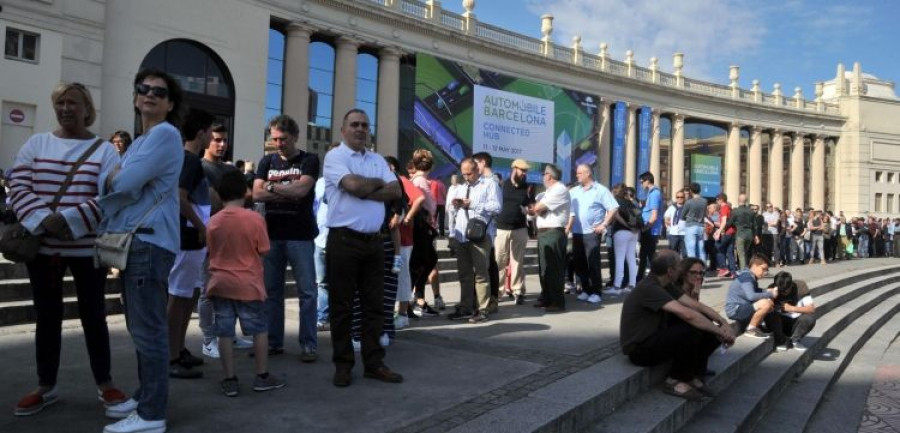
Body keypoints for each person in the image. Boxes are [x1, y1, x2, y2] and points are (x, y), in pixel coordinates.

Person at [10, 82, 125, 416]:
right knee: (47, 317)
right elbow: (17, 184)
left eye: (73, 103)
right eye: (60, 102)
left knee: (94, 316)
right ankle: (45, 386)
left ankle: (105, 383)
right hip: (43, 249)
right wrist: (46, 219)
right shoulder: (37, 143)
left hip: (87, 249)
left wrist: (72, 219)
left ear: (87, 108)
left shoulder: (105, 151)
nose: (65, 108)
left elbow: (109, 196)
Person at [99, 68, 184, 433]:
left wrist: (116, 175)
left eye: (159, 92)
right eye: (143, 89)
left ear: (169, 104)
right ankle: (145, 395)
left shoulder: (164, 134)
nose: (149, 94)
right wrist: (118, 176)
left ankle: (151, 415)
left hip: (148, 242)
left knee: (148, 330)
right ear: (136, 97)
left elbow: (125, 183)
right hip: (140, 241)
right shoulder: (141, 140)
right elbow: (120, 184)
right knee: (140, 328)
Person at [324, 108, 403, 387]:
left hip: (374, 242)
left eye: (365, 125)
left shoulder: (377, 159)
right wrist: (375, 184)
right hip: (344, 241)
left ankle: (374, 363)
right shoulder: (335, 156)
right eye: (354, 124)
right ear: (343, 130)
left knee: (375, 305)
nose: (360, 129)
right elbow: (353, 186)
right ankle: (343, 365)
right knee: (342, 306)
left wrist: (364, 187)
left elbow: (396, 191)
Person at [207, 170, 285, 396]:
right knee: (259, 330)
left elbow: (211, 251)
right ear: (245, 191)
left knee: (224, 333)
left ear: (219, 194)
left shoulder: (213, 221)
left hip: (220, 283)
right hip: (248, 283)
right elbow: (264, 251)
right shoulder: (255, 219)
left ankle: (229, 379)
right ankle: (261, 376)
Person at [620, 251, 735, 401]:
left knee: (705, 326)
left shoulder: (665, 284)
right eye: (679, 266)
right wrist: (720, 332)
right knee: (692, 329)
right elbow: (687, 314)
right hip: (639, 350)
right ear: (670, 271)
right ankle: (674, 380)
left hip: (655, 338)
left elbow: (696, 306)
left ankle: (692, 375)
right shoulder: (650, 287)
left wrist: (722, 323)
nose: (681, 269)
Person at [253, 115, 319, 362]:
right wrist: (285, 191)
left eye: (283, 138)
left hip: (300, 236)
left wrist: (271, 188)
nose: (278, 143)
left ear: (295, 136)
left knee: (308, 292)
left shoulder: (309, 160)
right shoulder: (266, 161)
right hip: (271, 235)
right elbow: (257, 193)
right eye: (275, 138)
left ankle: (308, 344)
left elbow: (302, 191)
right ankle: (273, 343)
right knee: (271, 292)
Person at [166, 108, 214, 380]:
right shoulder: (191, 161)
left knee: (187, 295)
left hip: (192, 240)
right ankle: (171, 355)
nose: (213, 137)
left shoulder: (188, 160)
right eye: (210, 132)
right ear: (200, 133)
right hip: (187, 239)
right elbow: (180, 197)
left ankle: (179, 348)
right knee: (178, 296)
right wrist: (200, 226)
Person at [198, 124, 249, 359]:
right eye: (217, 139)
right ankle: (209, 340)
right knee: (208, 291)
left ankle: (227, 335)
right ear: (207, 139)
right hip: (208, 238)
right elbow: (216, 201)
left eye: (224, 140)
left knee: (228, 291)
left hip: (231, 238)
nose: (221, 144)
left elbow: (245, 196)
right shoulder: (200, 168)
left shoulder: (228, 170)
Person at [446, 157, 502, 322]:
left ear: (477, 170)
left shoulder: (489, 184)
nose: (466, 177)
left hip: (480, 236)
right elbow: (452, 209)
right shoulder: (462, 187)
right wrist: (455, 205)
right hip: (462, 235)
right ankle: (466, 307)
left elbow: (497, 207)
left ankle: (483, 309)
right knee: (464, 274)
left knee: (481, 274)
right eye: (463, 174)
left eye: (469, 174)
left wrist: (473, 204)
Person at [567, 164, 618, 302]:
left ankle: (596, 292)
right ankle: (585, 289)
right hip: (577, 231)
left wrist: (604, 224)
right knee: (579, 261)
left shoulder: (600, 190)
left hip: (592, 232)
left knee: (592, 262)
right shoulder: (574, 191)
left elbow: (613, 208)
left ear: (588, 173)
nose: (577, 175)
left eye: (579, 173)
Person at [495, 158, 536, 305]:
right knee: (499, 261)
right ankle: (498, 292)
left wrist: (529, 211)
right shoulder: (502, 185)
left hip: (520, 228)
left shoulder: (528, 187)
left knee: (517, 262)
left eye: (526, 171)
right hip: (501, 228)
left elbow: (532, 208)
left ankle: (518, 291)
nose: (524, 173)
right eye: (522, 170)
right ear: (514, 169)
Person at [531, 164, 571, 312]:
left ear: (549, 176)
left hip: (553, 232)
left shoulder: (560, 189)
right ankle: (546, 298)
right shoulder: (549, 191)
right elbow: (535, 210)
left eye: (544, 174)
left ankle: (557, 301)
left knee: (554, 268)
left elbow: (538, 208)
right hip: (544, 233)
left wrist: (535, 208)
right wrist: (535, 209)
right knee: (544, 268)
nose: (542, 177)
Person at [408, 150, 442, 316]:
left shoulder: (414, 179)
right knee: (424, 262)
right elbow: (429, 205)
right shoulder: (421, 181)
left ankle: (417, 298)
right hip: (422, 228)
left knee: (423, 262)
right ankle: (411, 300)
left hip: (420, 227)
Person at [473, 152, 502, 312]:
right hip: (477, 231)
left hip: (487, 231)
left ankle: (493, 299)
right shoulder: (480, 181)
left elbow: (496, 207)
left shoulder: (493, 181)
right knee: (484, 265)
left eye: (475, 163)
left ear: (483, 163)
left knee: (489, 265)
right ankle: (480, 299)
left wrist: (476, 205)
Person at [724, 254, 778, 339]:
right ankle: (751, 330)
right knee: (765, 304)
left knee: (769, 303)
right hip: (735, 309)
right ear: (755, 266)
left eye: (766, 270)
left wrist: (766, 291)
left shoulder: (750, 275)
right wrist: (770, 294)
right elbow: (751, 296)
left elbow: (754, 290)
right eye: (763, 269)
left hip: (742, 306)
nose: (765, 272)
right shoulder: (747, 277)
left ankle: (757, 325)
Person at [769, 274, 816, 352]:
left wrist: (792, 308)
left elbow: (811, 309)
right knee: (771, 315)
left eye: (785, 290)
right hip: (780, 323)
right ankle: (781, 340)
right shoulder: (772, 288)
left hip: (795, 322)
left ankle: (795, 340)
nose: (783, 292)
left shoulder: (800, 286)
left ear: (791, 285)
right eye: (781, 290)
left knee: (810, 318)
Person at [609, 183, 640, 293]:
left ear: (615, 191)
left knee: (619, 259)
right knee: (631, 258)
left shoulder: (615, 200)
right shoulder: (630, 202)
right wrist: (632, 227)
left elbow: (616, 215)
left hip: (621, 232)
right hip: (634, 232)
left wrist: (626, 226)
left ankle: (617, 287)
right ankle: (632, 285)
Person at [636, 171, 664, 282]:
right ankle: (641, 277)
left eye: (642, 182)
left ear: (647, 181)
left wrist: (645, 228)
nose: (641, 184)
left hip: (650, 229)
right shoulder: (652, 193)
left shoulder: (654, 193)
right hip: (649, 229)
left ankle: (657, 277)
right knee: (645, 255)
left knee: (649, 256)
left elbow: (654, 215)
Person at [730, 193, 757, 271]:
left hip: (740, 234)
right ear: (746, 201)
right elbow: (755, 225)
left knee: (741, 254)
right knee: (745, 253)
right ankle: (746, 268)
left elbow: (730, 222)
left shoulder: (735, 211)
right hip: (749, 234)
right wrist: (755, 235)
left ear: (738, 200)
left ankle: (743, 271)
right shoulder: (751, 212)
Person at [681, 183, 707, 263]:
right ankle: (703, 267)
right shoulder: (704, 201)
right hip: (701, 226)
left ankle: (692, 268)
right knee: (701, 249)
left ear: (691, 191)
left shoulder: (689, 202)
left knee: (691, 250)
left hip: (691, 226)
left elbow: (682, 215)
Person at [714, 193, 737, 278]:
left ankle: (724, 268)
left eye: (717, 200)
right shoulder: (729, 208)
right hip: (732, 233)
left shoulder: (724, 208)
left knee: (718, 248)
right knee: (730, 252)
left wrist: (718, 231)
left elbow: (724, 221)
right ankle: (733, 272)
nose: (716, 202)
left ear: (721, 199)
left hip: (726, 233)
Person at [664, 190, 686, 257]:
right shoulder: (671, 207)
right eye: (678, 197)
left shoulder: (687, 207)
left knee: (685, 253)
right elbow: (666, 217)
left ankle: (684, 266)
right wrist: (668, 226)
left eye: (681, 197)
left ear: (684, 198)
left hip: (684, 233)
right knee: (673, 252)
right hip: (674, 233)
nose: (679, 198)